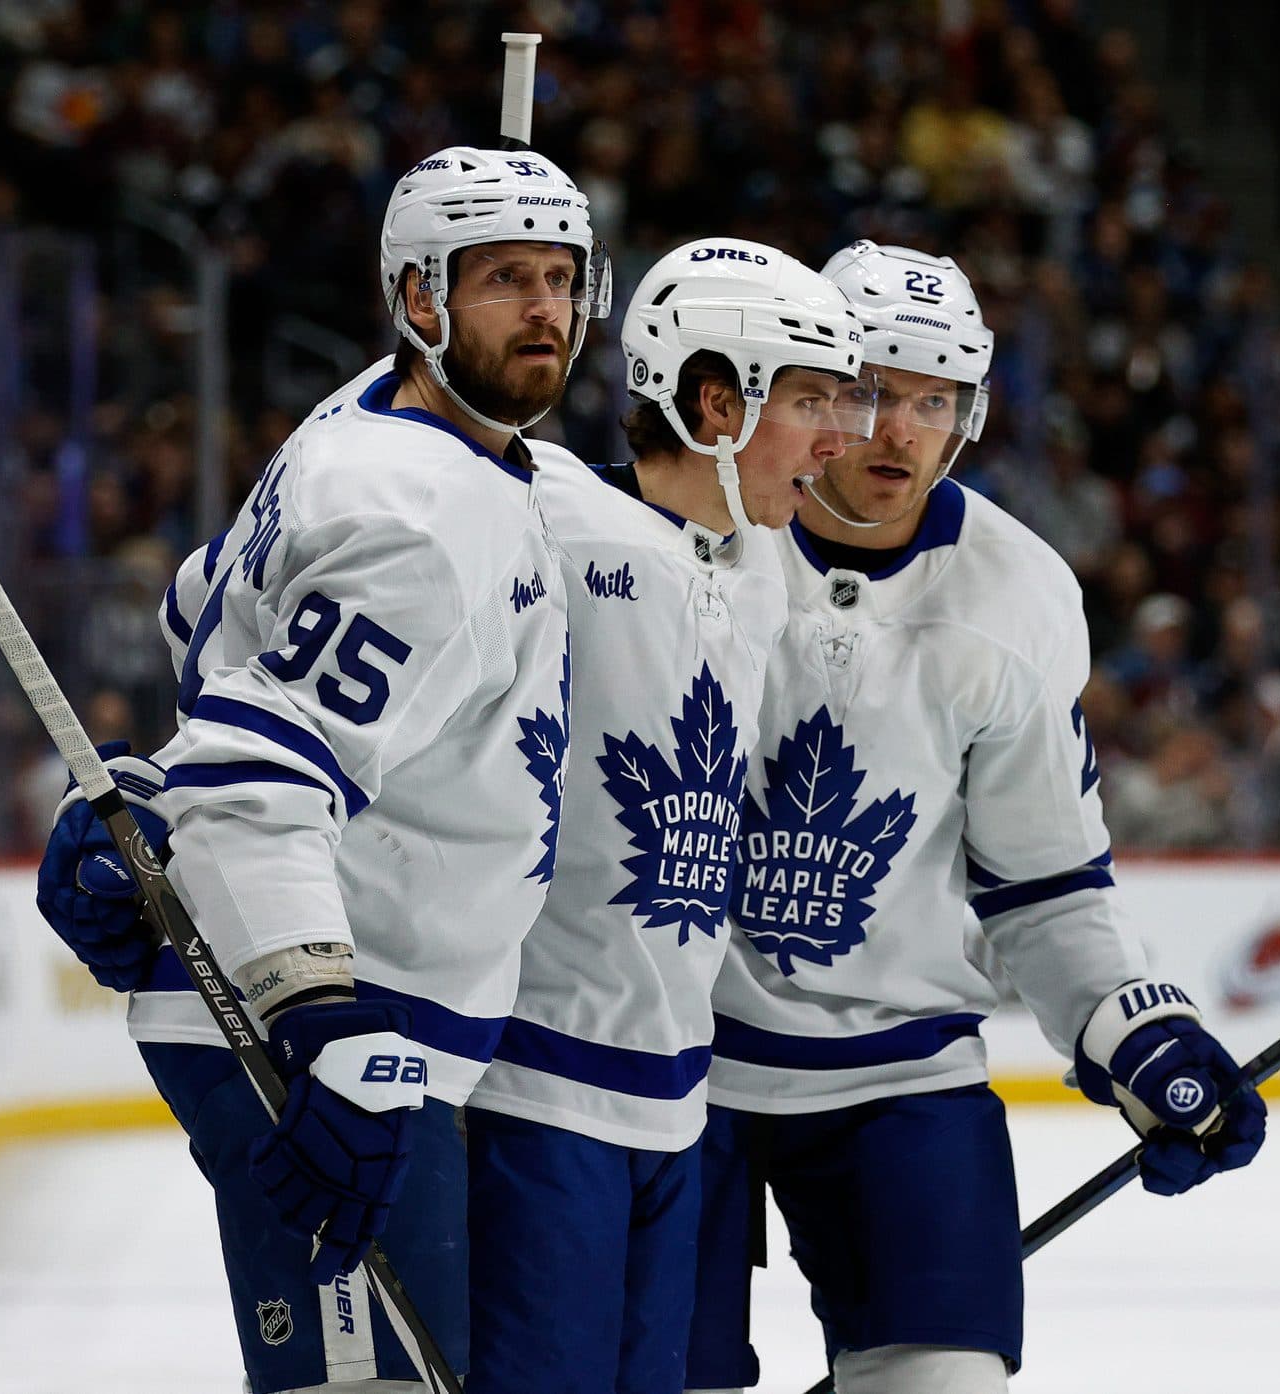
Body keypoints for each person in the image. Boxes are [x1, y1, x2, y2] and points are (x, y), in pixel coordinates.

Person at [36, 143, 608, 1391]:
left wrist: (157, 786)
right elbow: (262, 779)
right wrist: (318, 1016)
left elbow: (204, 614)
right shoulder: (420, 513)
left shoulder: (371, 421)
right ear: (417, 299)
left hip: (355, 1007)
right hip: (332, 1022)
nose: (547, 313)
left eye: (562, 279)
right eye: (505, 279)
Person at [684, 243, 1267, 1394]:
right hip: (663, 1061)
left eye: (932, 399)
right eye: (868, 391)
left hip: (894, 1074)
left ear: (969, 413)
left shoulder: (1018, 592)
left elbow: (1041, 875)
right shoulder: (685, 535)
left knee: (944, 1381)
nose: (898, 430)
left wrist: (1129, 1026)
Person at [459, 238, 873, 1393]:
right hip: (530, 1093)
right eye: (807, 399)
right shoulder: (536, 512)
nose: (837, 438)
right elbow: (234, 585)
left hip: (674, 1104)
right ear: (711, 400)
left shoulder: (754, 559)